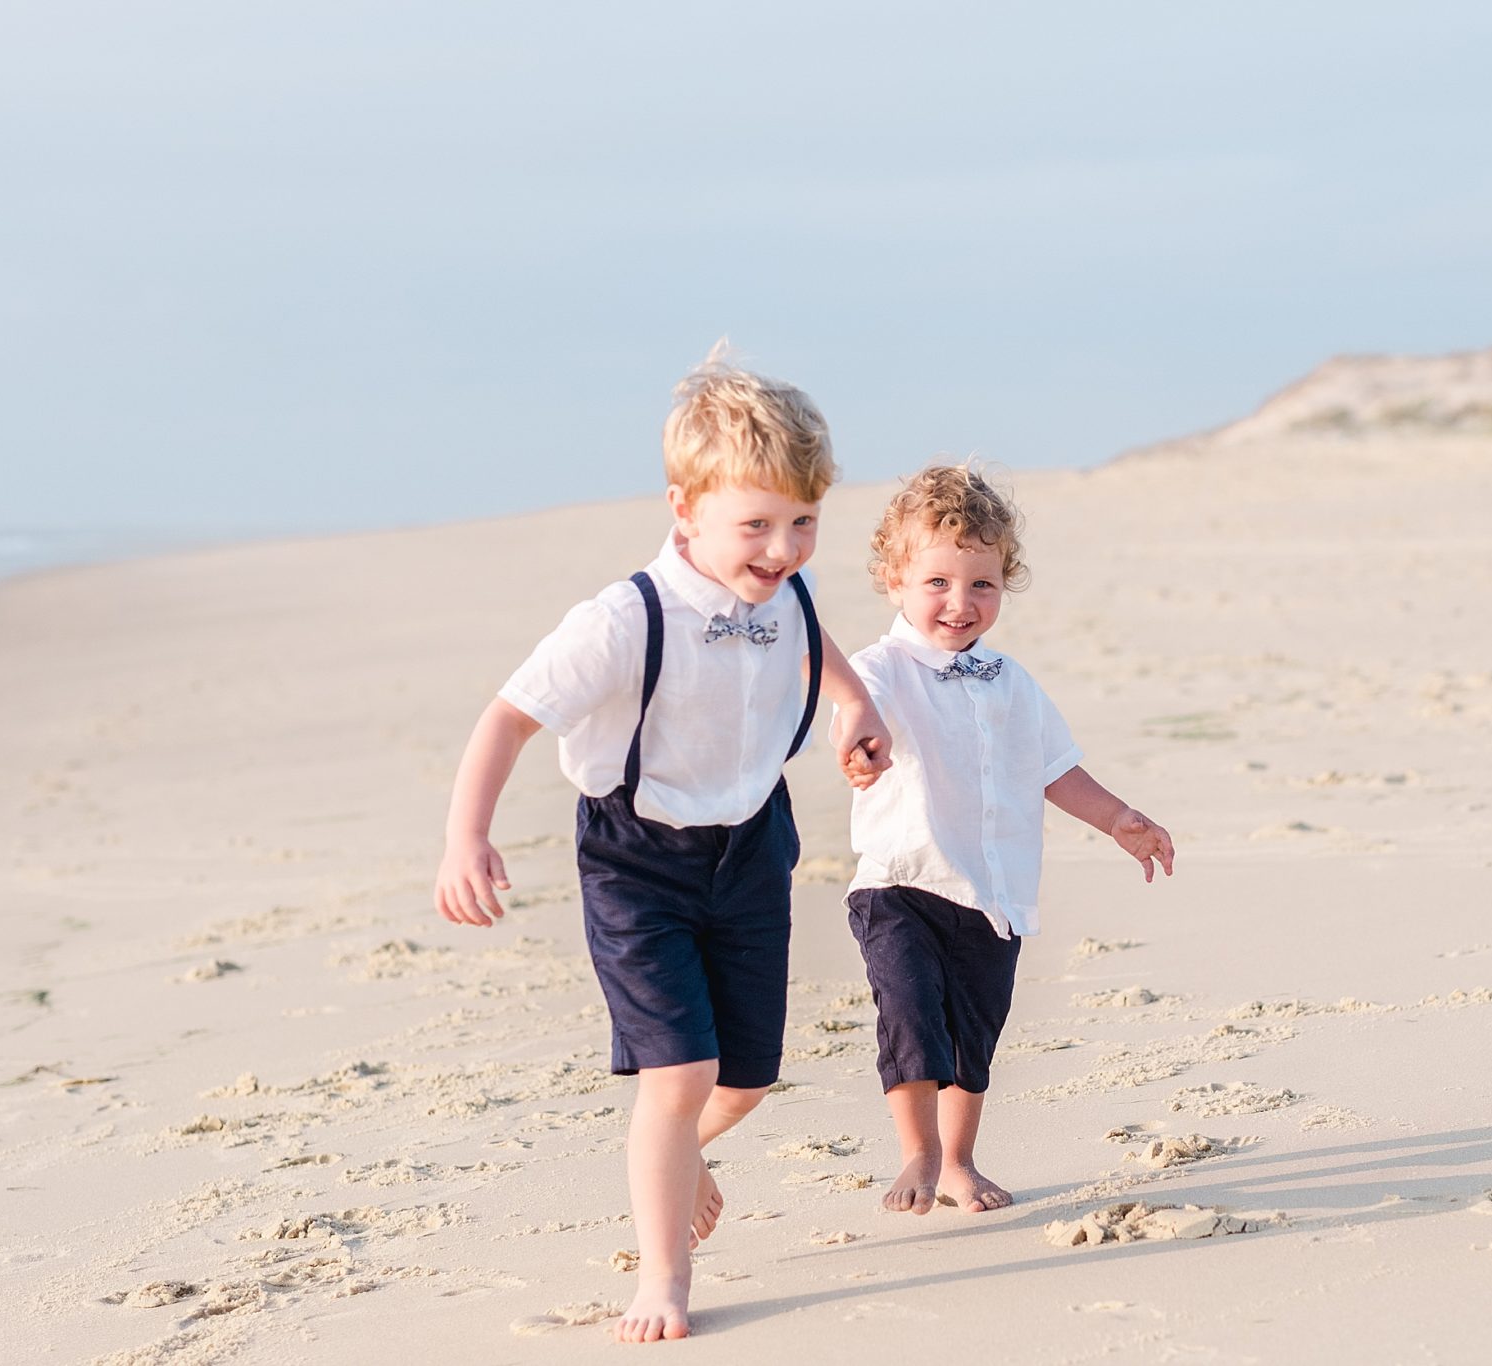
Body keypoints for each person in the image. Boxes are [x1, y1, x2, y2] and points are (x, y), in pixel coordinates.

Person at [435, 348, 890, 1343]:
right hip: (637, 861)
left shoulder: (785, 595)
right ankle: (663, 1276)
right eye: (756, 525)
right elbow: (507, 717)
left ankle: (674, 1149)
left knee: (746, 1078)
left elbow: (815, 643)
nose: (782, 548)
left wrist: (852, 708)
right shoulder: (620, 619)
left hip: (752, 844)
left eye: (802, 521)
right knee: (677, 1078)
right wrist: (466, 837)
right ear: (683, 507)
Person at [837, 462, 1173, 1215]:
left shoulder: (1011, 681)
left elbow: (1055, 769)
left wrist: (1120, 820)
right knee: (912, 1013)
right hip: (902, 882)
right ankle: (918, 1153)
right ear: (894, 581)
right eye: (937, 583)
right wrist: (858, 741)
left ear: (1004, 584)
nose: (960, 603)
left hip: (994, 895)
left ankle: (958, 1160)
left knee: (974, 1038)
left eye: (982, 585)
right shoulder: (881, 669)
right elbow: (857, 709)